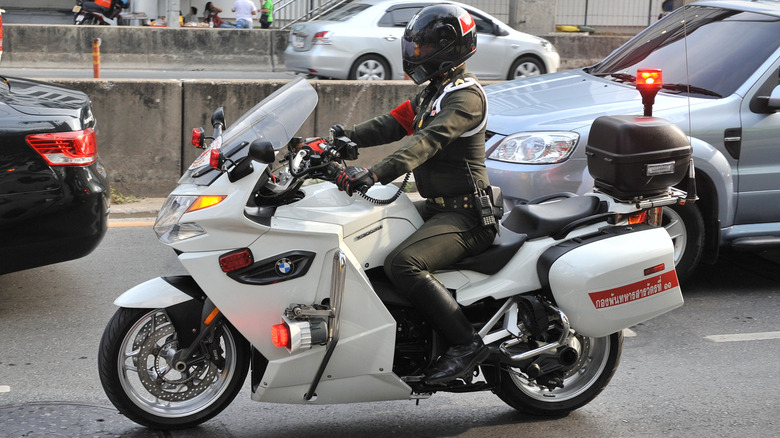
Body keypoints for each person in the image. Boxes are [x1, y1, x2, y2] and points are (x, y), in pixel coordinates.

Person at [333, 4, 495, 385]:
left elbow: (428, 142)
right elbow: (392, 123)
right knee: (362, 233)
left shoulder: (465, 98)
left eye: (421, 48)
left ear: (449, 47)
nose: (414, 54)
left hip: (468, 216)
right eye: (413, 47)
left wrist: (375, 173)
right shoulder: (432, 93)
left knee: (404, 264)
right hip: (437, 208)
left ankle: (466, 344)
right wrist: (337, 139)